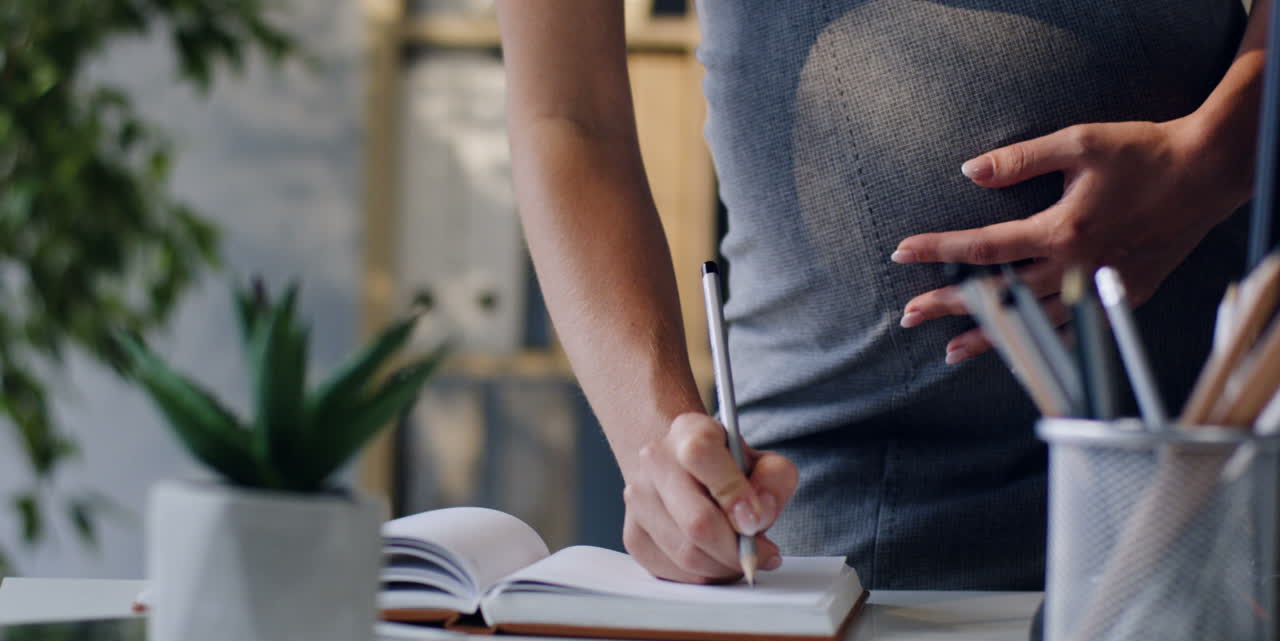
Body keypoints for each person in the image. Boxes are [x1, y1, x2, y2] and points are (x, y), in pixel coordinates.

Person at [494, 0, 1270, 589]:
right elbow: (568, 115)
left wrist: (1216, 157)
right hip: (818, 494)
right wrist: (657, 444)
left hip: (1198, 444)